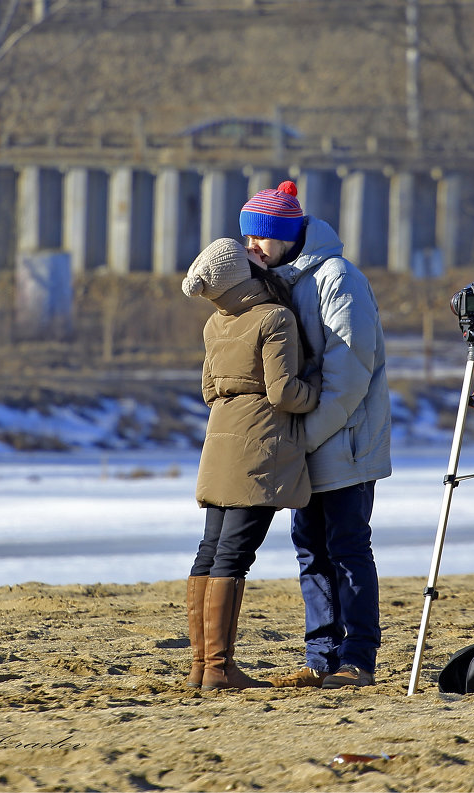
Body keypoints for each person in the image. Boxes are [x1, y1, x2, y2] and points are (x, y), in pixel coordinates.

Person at [239, 180, 392, 689]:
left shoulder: (338, 279)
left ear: (285, 233)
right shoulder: (278, 278)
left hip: (344, 442)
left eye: (259, 236)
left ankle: (358, 660)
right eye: (247, 237)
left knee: (347, 548)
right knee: (309, 549)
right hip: (304, 441)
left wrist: (303, 439)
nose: (251, 246)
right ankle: (321, 656)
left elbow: (350, 376)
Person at [181, 237, 321, 691]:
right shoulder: (275, 317)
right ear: (246, 275)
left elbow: (208, 391)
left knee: (211, 551)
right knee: (235, 556)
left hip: (218, 441)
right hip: (259, 443)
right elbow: (283, 392)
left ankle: (202, 666)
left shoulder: (214, 324)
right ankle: (220, 669)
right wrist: (316, 389)